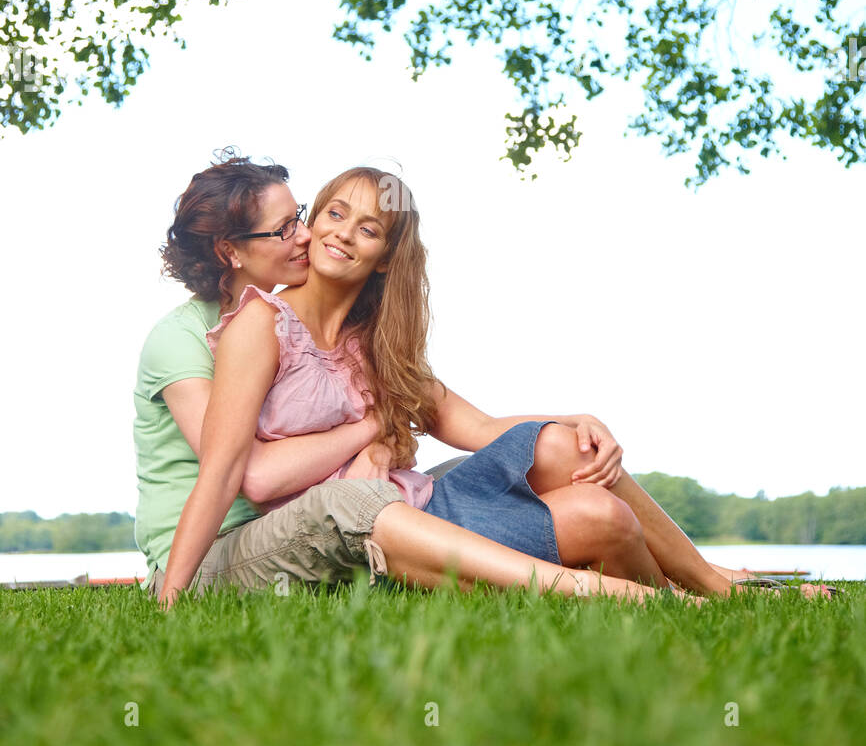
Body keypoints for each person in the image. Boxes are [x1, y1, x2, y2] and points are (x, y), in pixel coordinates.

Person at [138, 151, 689, 611]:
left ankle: (701, 585)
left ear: (385, 257)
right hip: (256, 537)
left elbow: (476, 425)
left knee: (568, 466)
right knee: (354, 505)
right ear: (230, 252)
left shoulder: (363, 338)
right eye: (289, 228)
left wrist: (575, 419)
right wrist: (377, 425)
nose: (309, 235)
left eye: (303, 215)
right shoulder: (214, 333)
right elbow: (239, 472)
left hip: (386, 507)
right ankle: (618, 596)